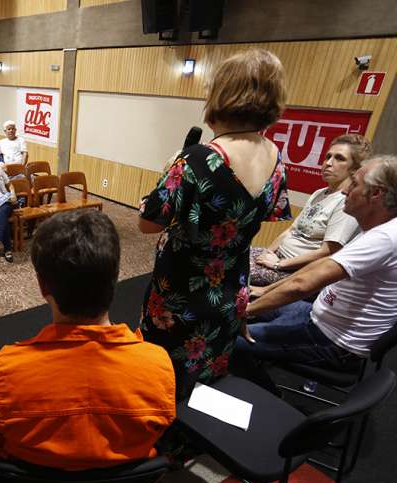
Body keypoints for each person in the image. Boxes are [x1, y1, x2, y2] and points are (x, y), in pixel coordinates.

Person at [0, 211, 176, 483]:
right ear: (116, 277)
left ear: (43, 286)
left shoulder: (4, 372)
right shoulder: (158, 365)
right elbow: (155, 435)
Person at [137, 49, 290, 400]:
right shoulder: (275, 157)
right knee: (204, 377)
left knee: (162, 377)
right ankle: (192, 440)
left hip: (181, 294)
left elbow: (148, 224)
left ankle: (160, 438)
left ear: (222, 94)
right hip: (230, 290)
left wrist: (169, 169)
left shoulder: (197, 158)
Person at [234, 155, 397, 393]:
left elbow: (302, 285)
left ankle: (266, 398)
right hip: (318, 315)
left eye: (354, 184)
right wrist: (265, 291)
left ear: (376, 194)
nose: (344, 192)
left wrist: (243, 312)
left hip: (332, 342)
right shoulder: (379, 228)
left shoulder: (384, 238)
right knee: (246, 303)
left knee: (225, 339)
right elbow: (321, 266)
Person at [249, 134, 370, 288]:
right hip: (279, 259)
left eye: (339, 158)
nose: (328, 163)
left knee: (236, 269)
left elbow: (328, 252)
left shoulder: (345, 202)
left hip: (297, 271)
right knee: (231, 254)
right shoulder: (319, 193)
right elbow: (291, 231)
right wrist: (266, 254)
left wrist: (279, 264)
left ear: (354, 169)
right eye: (328, 157)